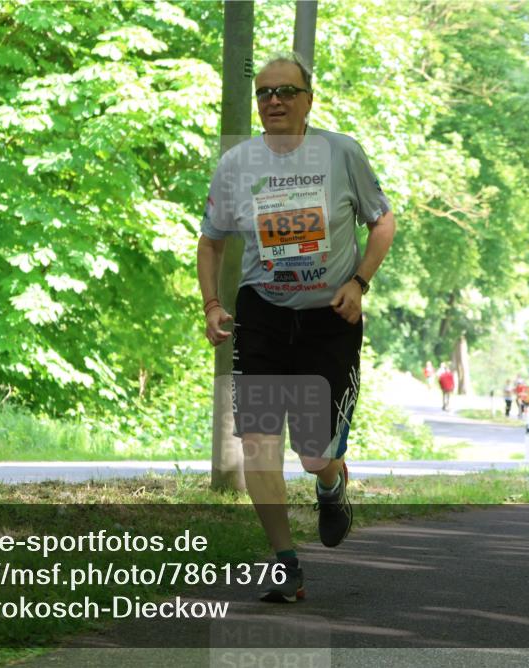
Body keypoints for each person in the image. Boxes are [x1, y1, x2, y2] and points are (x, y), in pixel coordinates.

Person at [197, 52, 395, 602]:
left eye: (286, 91)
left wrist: (359, 282)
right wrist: (212, 304)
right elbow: (211, 240)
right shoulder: (237, 164)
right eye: (264, 94)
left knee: (312, 452)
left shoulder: (341, 152)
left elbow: (383, 222)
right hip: (262, 313)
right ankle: (286, 563)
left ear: (309, 99)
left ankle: (330, 483)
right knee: (259, 447)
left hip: (328, 317)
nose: (274, 102)